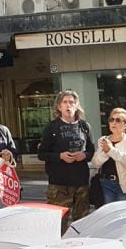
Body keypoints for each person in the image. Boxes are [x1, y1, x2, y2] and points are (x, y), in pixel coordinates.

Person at [39, 90, 94, 233]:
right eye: (65, 102)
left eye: (72, 102)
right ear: (59, 107)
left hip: (81, 182)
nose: (68, 105)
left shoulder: (84, 126)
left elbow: (92, 151)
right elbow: (42, 154)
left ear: (77, 106)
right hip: (59, 184)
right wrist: (60, 156)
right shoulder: (51, 127)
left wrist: (85, 155)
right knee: (58, 224)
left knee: (82, 223)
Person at [90, 107, 126, 204]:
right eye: (111, 120)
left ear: (125, 124)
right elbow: (95, 163)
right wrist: (105, 152)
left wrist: (111, 150)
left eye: (118, 120)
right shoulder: (103, 140)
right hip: (106, 183)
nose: (114, 123)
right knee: (109, 215)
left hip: (125, 184)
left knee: (123, 215)